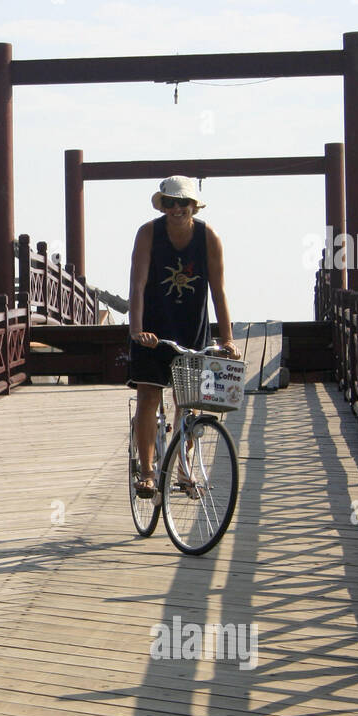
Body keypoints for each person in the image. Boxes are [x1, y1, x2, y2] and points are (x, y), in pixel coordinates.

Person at [128, 175, 239, 497]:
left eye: (183, 203)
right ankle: (147, 472)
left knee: (188, 402)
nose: (177, 209)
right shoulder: (149, 233)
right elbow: (136, 285)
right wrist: (136, 329)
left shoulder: (208, 237)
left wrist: (228, 339)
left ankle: (183, 469)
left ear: (194, 206)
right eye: (170, 203)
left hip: (192, 327)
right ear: (163, 205)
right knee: (149, 394)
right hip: (152, 326)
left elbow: (218, 290)